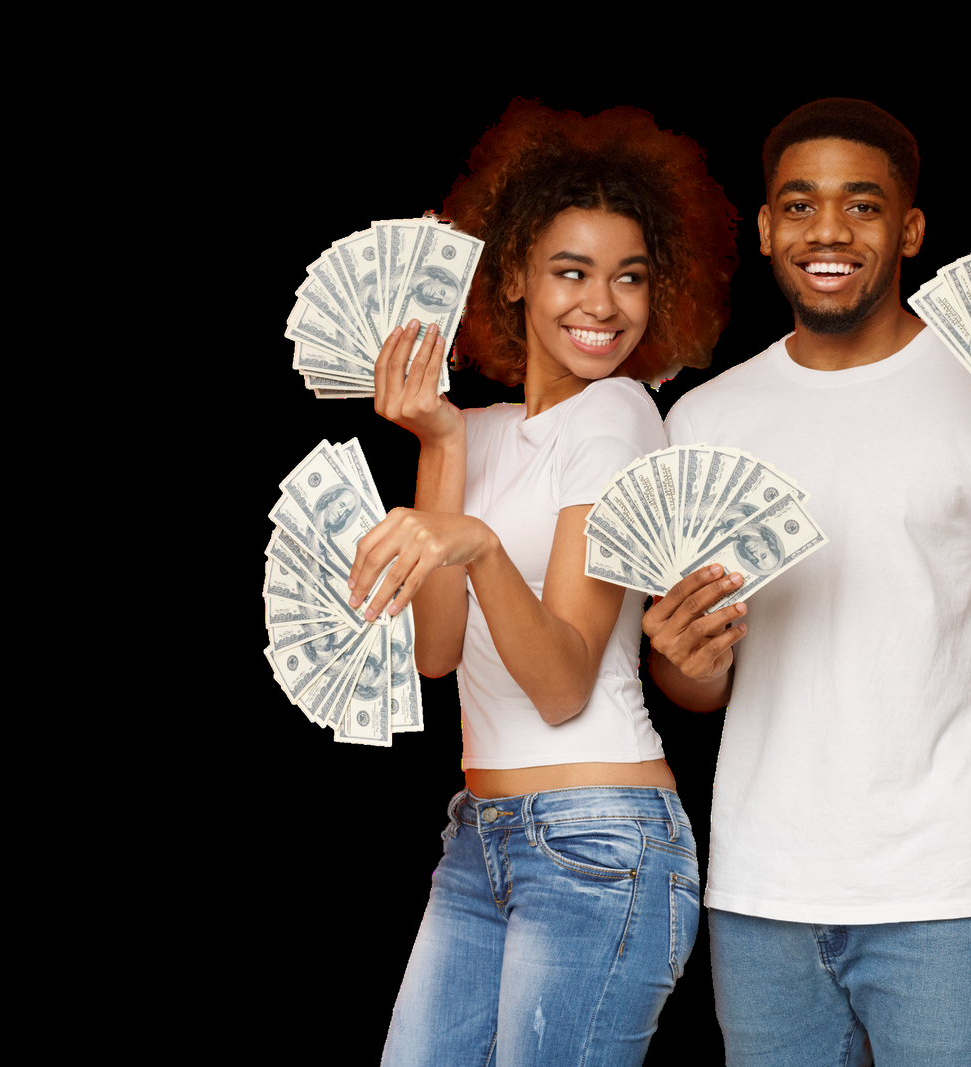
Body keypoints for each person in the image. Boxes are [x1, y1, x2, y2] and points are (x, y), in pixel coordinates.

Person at [643, 98, 971, 1067]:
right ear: (769, 225)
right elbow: (699, 688)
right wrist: (678, 658)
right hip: (761, 891)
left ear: (908, 229)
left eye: (861, 206)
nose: (828, 230)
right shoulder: (704, 417)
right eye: (800, 204)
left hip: (945, 891)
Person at [346, 100, 738, 1066]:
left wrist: (476, 542)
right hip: (480, 833)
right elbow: (437, 654)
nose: (601, 306)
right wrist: (438, 440)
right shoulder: (472, 432)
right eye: (571, 272)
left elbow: (562, 683)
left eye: (629, 278)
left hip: (600, 838)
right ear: (513, 277)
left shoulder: (617, 415)